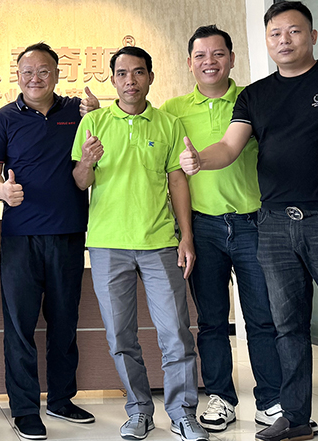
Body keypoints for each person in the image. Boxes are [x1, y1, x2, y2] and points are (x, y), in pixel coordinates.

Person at [180, 1, 318, 441]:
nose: (284, 40)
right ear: (266, 41)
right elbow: (229, 147)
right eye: (275, 33)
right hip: (273, 224)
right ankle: (295, 418)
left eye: (294, 31)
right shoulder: (255, 95)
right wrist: (200, 160)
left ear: (312, 36)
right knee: (287, 328)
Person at [71, 46, 207, 441]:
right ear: (113, 79)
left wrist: (186, 236)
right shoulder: (94, 122)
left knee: (176, 333)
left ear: (150, 77)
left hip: (159, 242)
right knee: (120, 336)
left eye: (138, 72)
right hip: (107, 244)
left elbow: (177, 181)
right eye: (122, 73)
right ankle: (139, 410)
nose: (130, 80)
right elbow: (80, 181)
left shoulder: (167, 124)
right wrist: (87, 161)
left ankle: (183, 413)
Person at [0, 43, 99, 440]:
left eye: (43, 71)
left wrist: (97, 115)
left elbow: (92, 157)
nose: (35, 79)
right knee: (20, 326)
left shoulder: (76, 112)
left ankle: (62, 399)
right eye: (27, 72)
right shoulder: (4, 118)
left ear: (57, 74)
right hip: (20, 236)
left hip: (68, 232)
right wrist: (0, 189)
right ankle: (25, 408)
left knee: (65, 321)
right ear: (17, 76)